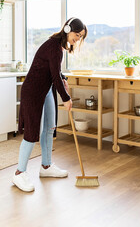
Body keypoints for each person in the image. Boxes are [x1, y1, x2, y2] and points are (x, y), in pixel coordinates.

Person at [13, 18, 88, 192]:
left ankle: (46, 167)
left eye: (80, 37)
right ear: (68, 29)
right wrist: (66, 98)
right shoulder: (53, 46)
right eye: (77, 35)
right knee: (32, 133)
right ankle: (19, 173)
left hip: (46, 90)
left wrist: (63, 79)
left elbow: (55, 72)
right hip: (33, 92)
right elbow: (54, 74)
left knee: (49, 128)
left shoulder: (58, 47)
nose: (77, 39)